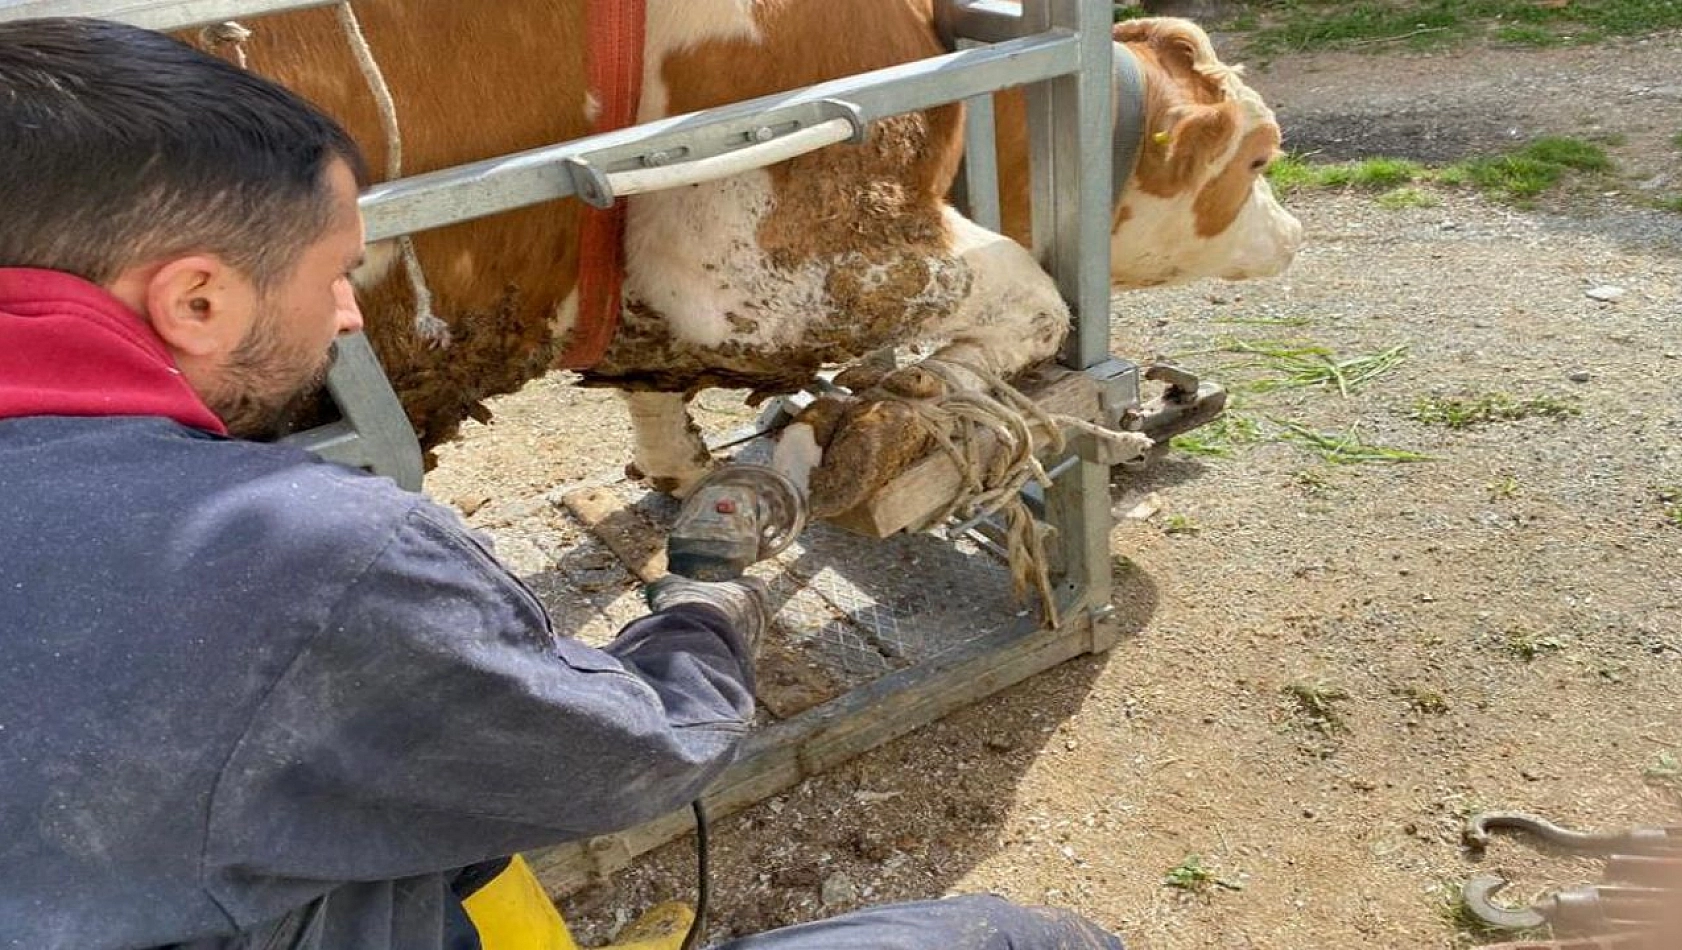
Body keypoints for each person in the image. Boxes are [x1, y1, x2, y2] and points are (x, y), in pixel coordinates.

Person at [0, 16, 1126, 950]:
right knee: (1007, 938)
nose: (348, 313)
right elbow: (639, 747)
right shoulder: (301, 553)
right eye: (335, 275)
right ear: (196, 301)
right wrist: (703, 605)